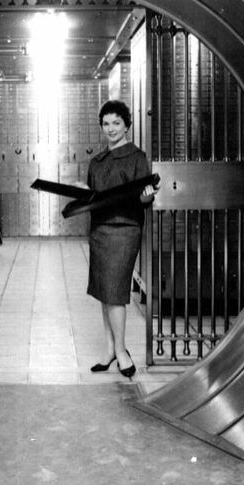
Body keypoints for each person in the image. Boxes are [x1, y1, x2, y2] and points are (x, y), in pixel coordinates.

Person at [85, 100, 158, 378]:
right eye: (106, 123)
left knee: (115, 292)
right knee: (105, 292)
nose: (111, 128)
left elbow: (144, 199)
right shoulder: (97, 161)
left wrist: (148, 194)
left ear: (127, 125)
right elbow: (92, 198)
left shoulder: (137, 157)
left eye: (116, 123)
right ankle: (109, 350)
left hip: (125, 230)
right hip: (100, 230)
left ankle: (122, 351)